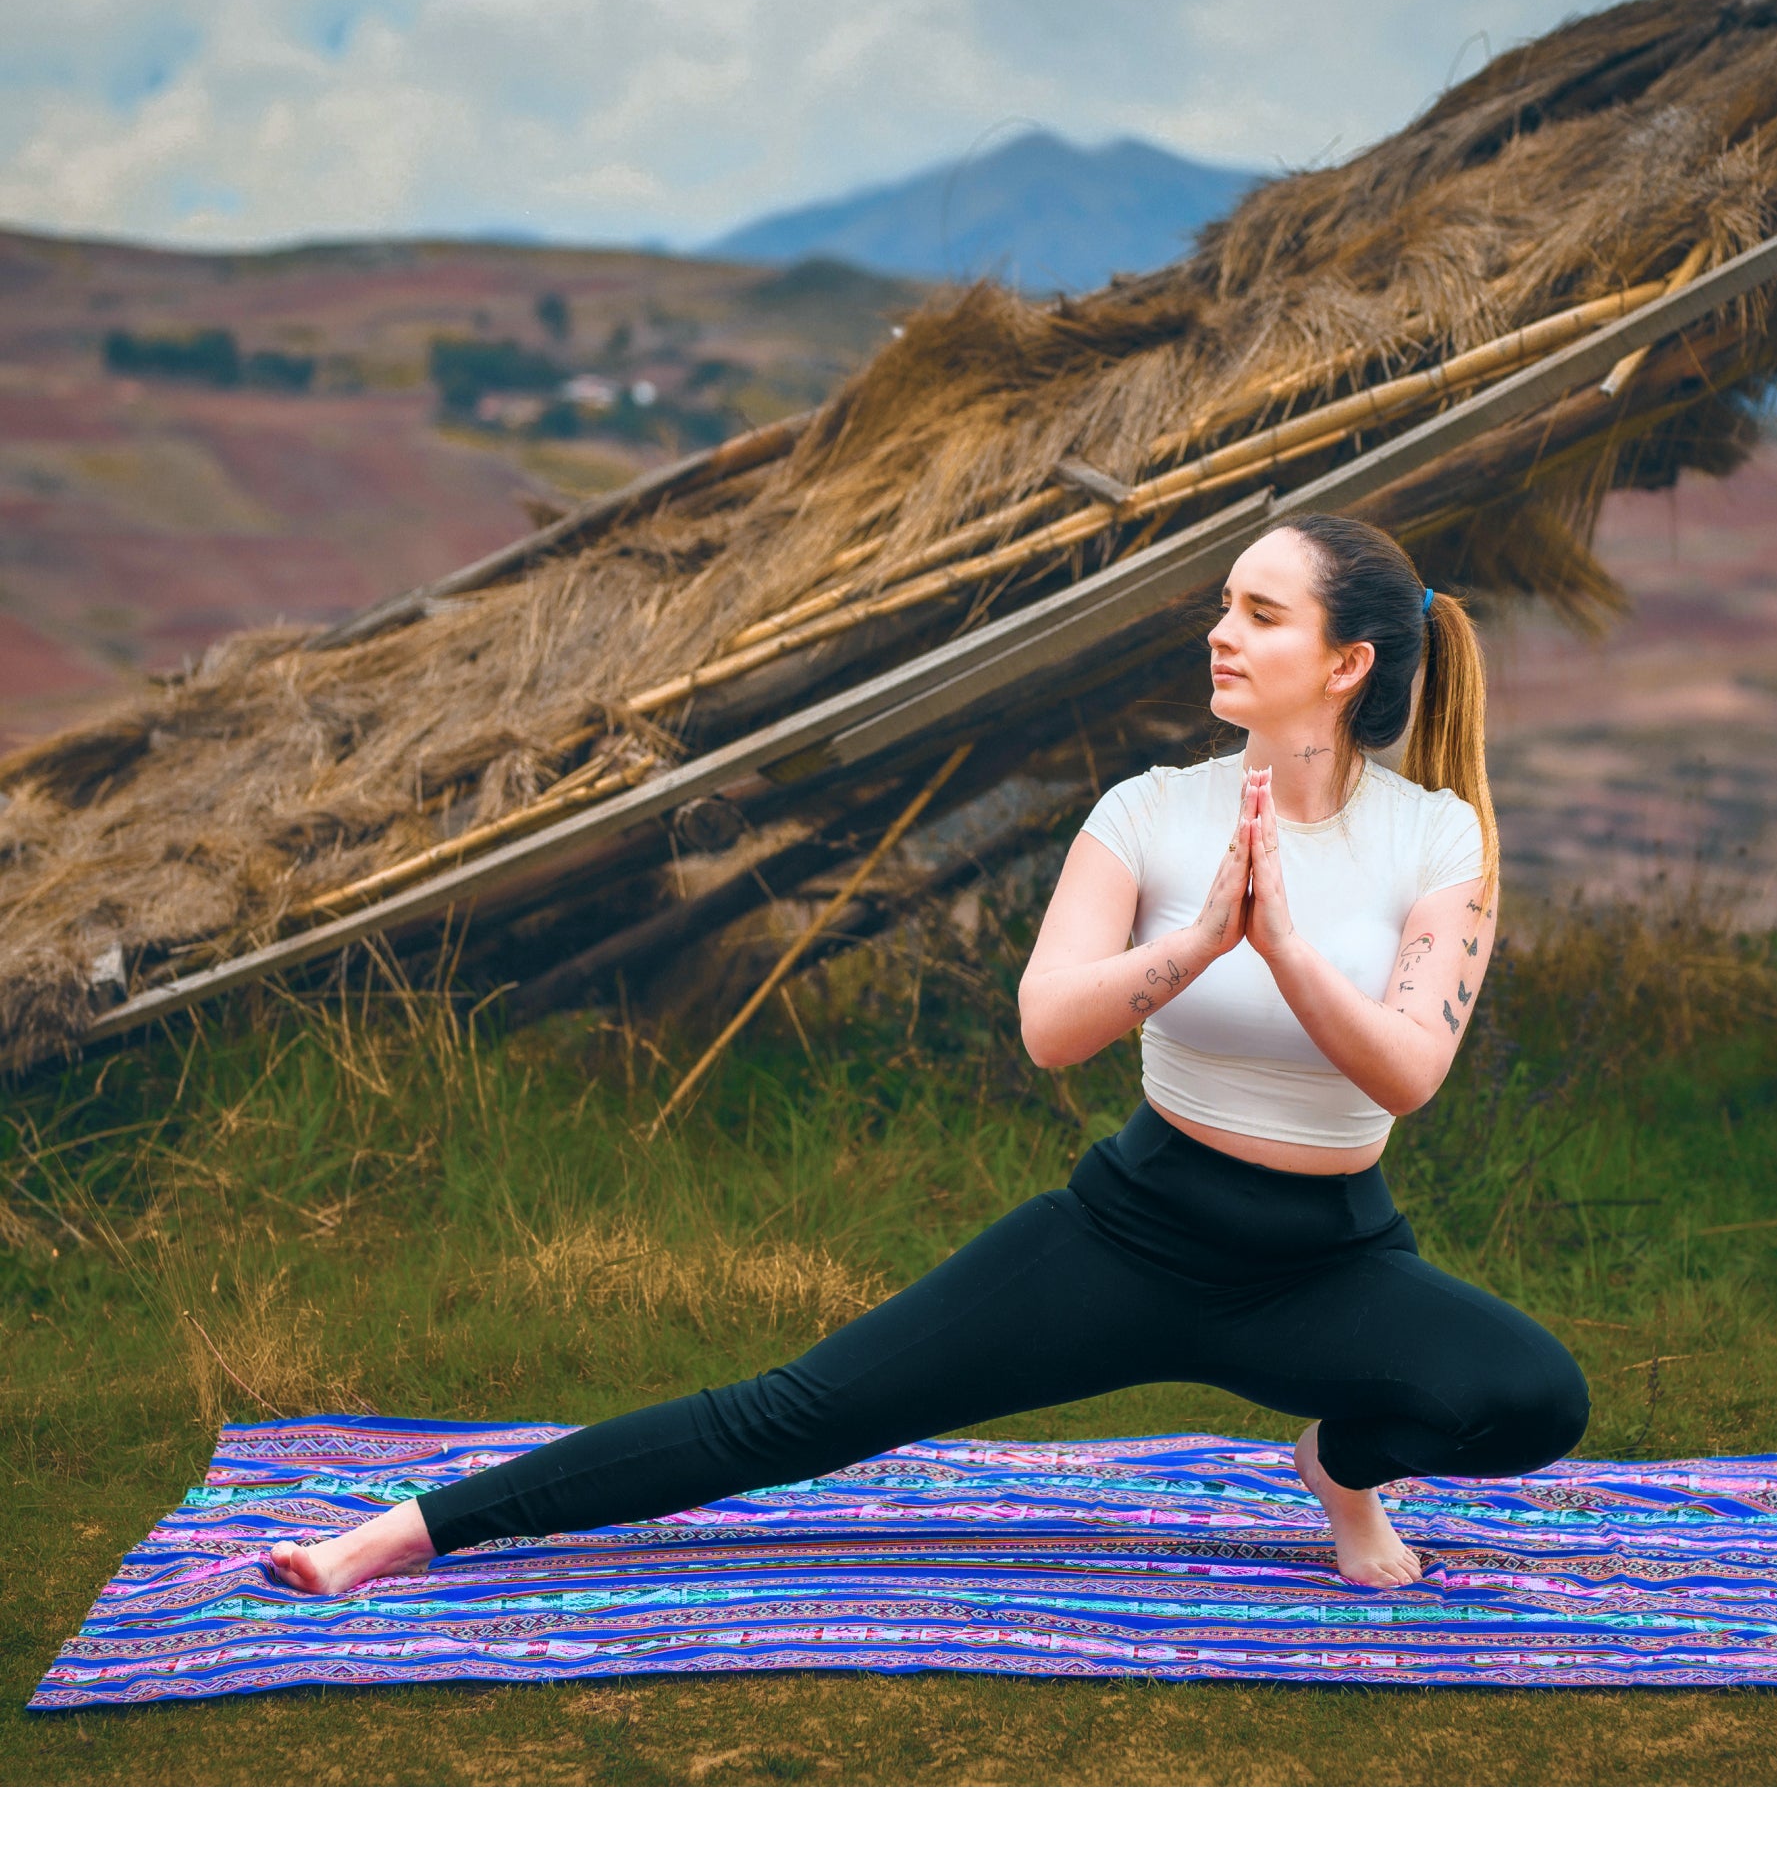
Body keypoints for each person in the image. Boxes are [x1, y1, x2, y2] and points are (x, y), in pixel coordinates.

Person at [270, 512, 1590, 1598]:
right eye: (1223, 604)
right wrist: (1195, 945)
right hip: (1127, 1234)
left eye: (1258, 612)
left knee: (1535, 1402)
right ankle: (408, 1533)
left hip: (1328, 1261)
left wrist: (1288, 947)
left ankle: (1338, 1464)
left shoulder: (1437, 842)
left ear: (1347, 662)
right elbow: (1048, 1027)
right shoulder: (1154, 814)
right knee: (790, 1416)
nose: (1220, 631)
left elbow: (1406, 1075)